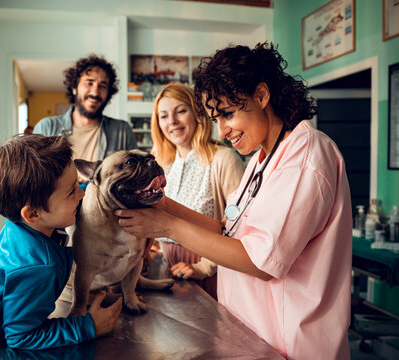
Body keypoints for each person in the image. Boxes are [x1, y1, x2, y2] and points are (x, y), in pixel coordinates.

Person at [115, 42, 352, 360]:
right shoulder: (261, 158)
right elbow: (228, 229)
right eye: (215, 118)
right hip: (252, 334)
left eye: (227, 114)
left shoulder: (306, 155)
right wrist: (163, 205)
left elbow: (260, 262)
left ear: (262, 96)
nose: (222, 130)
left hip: (290, 344)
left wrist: (168, 225)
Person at [0, 134, 122, 359]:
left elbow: (60, 198)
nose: (82, 193)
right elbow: (22, 337)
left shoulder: (22, 223)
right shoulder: (36, 266)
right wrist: (89, 327)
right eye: (72, 190)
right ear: (32, 213)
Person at [150, 82, 244, 299]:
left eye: (180, 111)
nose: (172, 121)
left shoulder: (223, 159)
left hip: (209, 273)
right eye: (163, 116)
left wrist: (204, 267)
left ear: (197, 114)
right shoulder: (160, 163)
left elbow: (239, 226)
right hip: (169, 271)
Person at [33, 54, 137, 173]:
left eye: (102, 86)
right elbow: (35, 178)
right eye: (89, 82)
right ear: (74, 87)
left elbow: (135, 177)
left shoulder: (122, 131)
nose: (95, 92)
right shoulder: (46, 128)